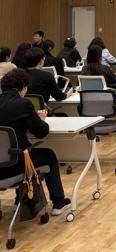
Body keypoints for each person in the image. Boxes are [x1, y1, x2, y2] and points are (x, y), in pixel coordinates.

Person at [0, 69, 71, 215]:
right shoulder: (23, 104)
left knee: (18, 150)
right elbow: (41, 132)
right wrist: (41, 119)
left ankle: (19, 201)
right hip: (15, 165)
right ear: (23, 86)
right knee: (48, 155)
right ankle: (58, 202)